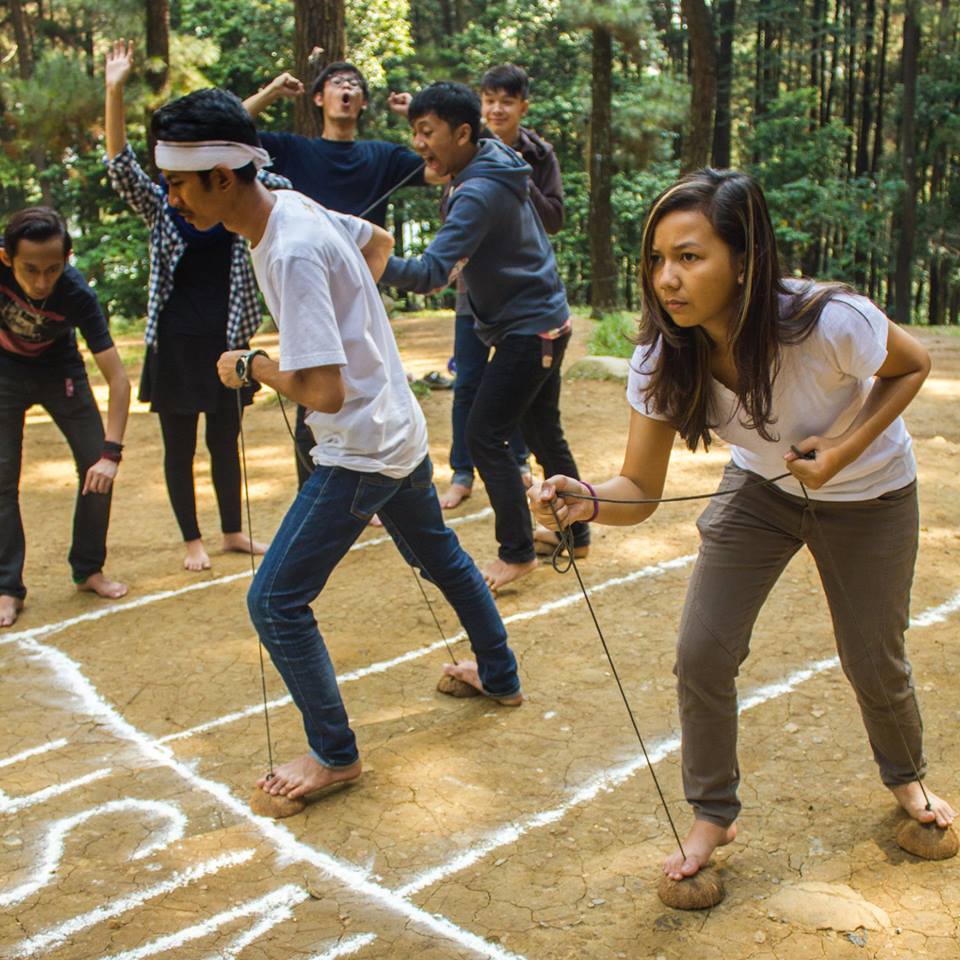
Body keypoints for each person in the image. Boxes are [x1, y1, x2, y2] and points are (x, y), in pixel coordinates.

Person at [529, 168, 956, 882]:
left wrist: (846, 446)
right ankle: (712, 815)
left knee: (871, 656)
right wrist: (589, 499)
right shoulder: (663, 353)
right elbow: (639, 489)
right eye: (657, 259)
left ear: (746, 261)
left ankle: (906, 777)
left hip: (872, 497)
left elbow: (912, 365)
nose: (667, 278)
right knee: (702, 651)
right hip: (762, 490)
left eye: (690, 257)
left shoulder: (827, 318)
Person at [151, 87, 523, 802]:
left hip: (359, 447)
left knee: (275, 601)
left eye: (178, 185)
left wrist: (250, 365)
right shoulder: (295, 212)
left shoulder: (288, 248)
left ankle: (335, 753)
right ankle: (499, 674)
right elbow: (377, 244)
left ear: (223, 176)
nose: (173, 201)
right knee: (439, 554)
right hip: (396, 424)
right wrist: (350, 312)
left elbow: (322, 391)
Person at [382, 82, 589, 593]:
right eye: (414, 132)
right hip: (539, 320)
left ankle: (517, 552)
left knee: (485, 435)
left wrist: (363, 258)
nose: (419, 144)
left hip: (530, 328)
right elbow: (462, 134)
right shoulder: (486, 157)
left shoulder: (477, 188)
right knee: (541, 431)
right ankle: (576, 531)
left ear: (463, 133)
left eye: (427, 133)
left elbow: (431, 273)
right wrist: (428, 120)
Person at [104, 39, 277, 571]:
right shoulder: (163, 201)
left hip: (228, 334)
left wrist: (266, 95)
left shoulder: (237, 187)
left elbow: (231, 144)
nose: (178, 188)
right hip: (175, 339)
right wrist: (114, 90)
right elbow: (118, 166)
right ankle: (191, 539)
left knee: (225, 440)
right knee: (180, 446)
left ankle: (230, 531)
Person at [243, 60, 444, 490]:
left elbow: (440, 167)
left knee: (369, 386)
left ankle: (373, 485)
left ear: (363, 102)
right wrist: (272, 90)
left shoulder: (382, 155)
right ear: (319, 98)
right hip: (305, 289)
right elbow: (226, 134)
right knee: (313, 393)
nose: (346, 89)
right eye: (337, 84)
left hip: (362, 293)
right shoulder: (295, 149)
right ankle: (314, 492)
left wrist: (416, 117)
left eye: (354, 85)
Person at [436, 62, 565, 512]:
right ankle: (461, 473)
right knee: (470, 384)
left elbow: (555, 217)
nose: (496, 108)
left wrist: (513, 183)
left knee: (518, 409)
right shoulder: (465, 149)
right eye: (488, 100)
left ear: (522, 106)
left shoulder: (537, 155)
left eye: (506, 100)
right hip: (474, 294)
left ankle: (519, 475)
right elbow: (451, 217)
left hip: (524, 300)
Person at [0, 207, 131, 627]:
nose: (42, 282)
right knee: (2, 479)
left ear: (68, 260)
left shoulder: (77, 294)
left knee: (97, 464)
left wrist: (112, 453)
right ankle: (7, 587)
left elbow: (119, 380)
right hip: (5, 371)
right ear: (7, 258)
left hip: (60, 370)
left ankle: (88, 569)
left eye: (53, 269)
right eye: (30, 270)